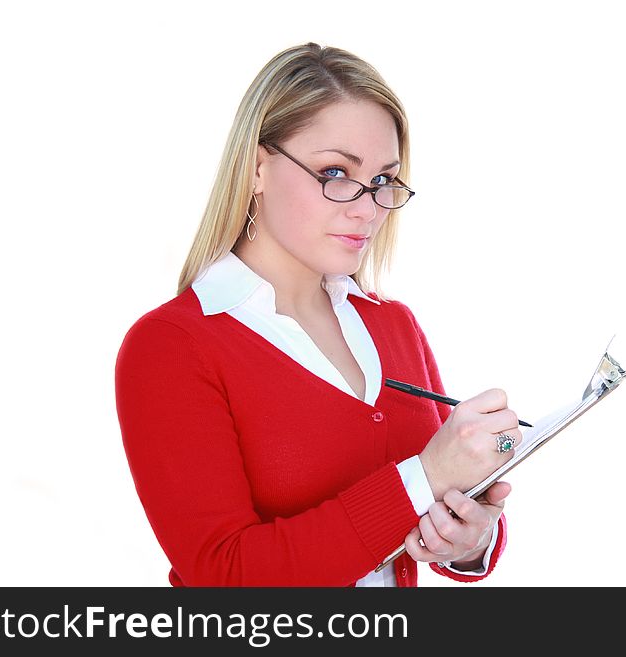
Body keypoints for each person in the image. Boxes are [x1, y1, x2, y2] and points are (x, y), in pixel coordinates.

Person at [114, 42, 523, 587]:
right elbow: (225, 576)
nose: (367, 207)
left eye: (382, 180)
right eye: (335, 172)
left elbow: (432, 517)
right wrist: (424, 477)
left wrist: (468, 539)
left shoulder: (392, 325)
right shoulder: (173, 346)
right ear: (258, 168)